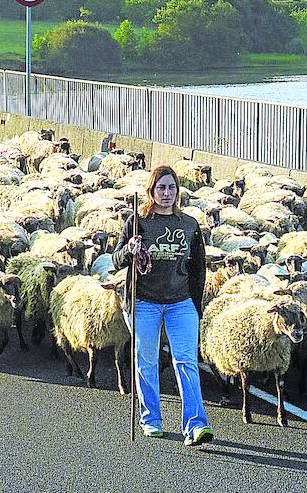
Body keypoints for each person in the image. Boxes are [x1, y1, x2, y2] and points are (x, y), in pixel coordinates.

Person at [113, 165, 213, 446]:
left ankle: (195, 424)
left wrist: (196, 303)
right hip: (145, 302)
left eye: (171, 188)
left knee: (186, 362)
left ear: (177, 191)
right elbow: (116, 259)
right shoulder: (138, 221)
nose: (166, 193)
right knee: (146, 360)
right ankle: (151, 419)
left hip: (181, 303)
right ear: (151, 191)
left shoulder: (189, 225)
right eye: (161, 188)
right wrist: (130, 250)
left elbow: (198, 268)